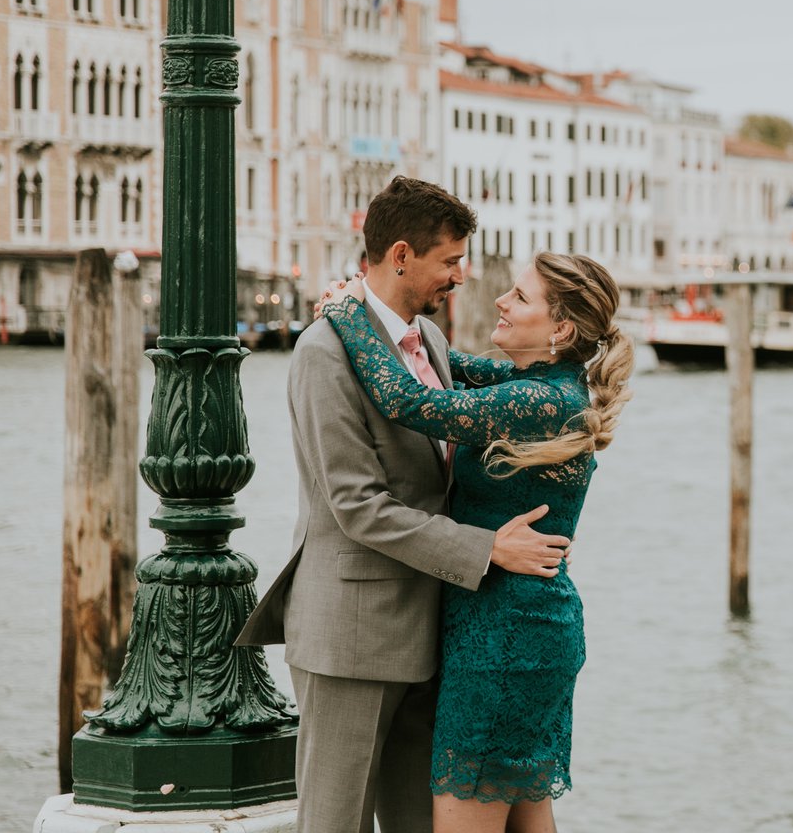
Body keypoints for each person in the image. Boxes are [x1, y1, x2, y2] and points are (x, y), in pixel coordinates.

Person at [237, 177, 572, 833]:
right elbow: (358, 505)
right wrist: (488, 548)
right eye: (450, 261)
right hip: (351, 635)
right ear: (400, 256)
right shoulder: (323, 352)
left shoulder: (435, 344)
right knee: (336, 824)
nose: (462, 277)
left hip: (434, 633)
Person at [316, 250, 632, 832]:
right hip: (519, 628)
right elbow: (443, 365)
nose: (501, 301)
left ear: (560, 328)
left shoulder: (537, 401)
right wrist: (388, 322)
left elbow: (410, 402)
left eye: (520, 297)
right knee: (526, 821)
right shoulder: (538, 385)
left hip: (505, 641)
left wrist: (346, 312)